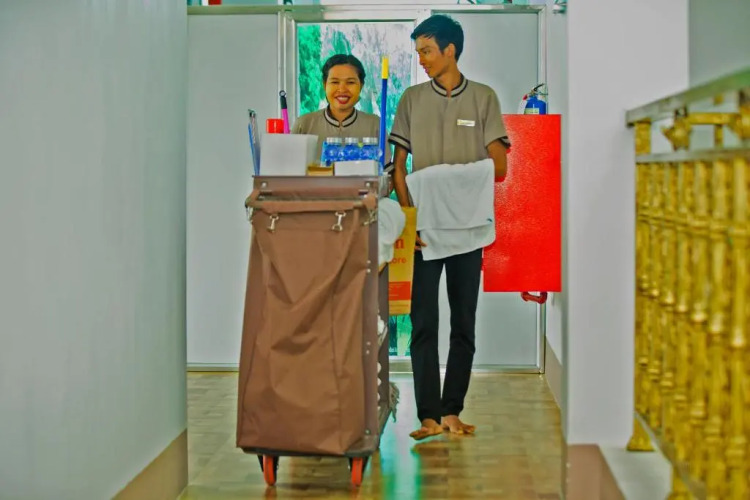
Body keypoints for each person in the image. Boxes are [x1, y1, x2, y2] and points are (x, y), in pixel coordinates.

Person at [389, 14, 509, 440]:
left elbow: (498, 166)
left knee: (464, 324)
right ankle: (428, 416)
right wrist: (410, 219)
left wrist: (447, 182)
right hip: (424, 231)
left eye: (426, 50)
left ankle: (452, 410)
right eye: (418, 51)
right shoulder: (410, 99)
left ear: (450, 50)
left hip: (468, 228)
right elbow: (398, 168)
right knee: (422, 322)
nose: (421, 58)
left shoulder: (483, 98)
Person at [292, 54, 387, 164]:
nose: (342, 89)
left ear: (361, 86)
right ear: (324, 84)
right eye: (335, 82)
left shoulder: (376, 125)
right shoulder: (304, 124)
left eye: (350, 82)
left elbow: (386, 171)